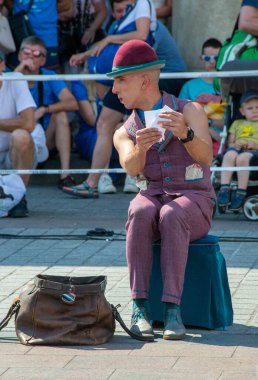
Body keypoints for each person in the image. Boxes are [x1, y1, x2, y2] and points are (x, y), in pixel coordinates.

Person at [111, 40, 215, 340]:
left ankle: (172, 310)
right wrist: (140, 149)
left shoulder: (190, 110)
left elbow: (206, 157)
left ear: (144, 80)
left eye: (121, 80)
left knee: (172, 213)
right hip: (152, 197)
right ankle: (140, 307)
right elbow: (131, 168)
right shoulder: (124, 130)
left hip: (194, 201)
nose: (115, 89)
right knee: (139, 209)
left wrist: (185, 133)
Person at [63, 0, 186, 198]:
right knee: (107, 125)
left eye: (122, 8)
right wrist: (86, 55)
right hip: (133, 79)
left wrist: (109, 38)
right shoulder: (119, 22)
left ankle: (127, 181)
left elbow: (141, 35)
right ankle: (98, 181)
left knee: (123, 125)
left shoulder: (142, 4)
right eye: (116, 9)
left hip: (156, 78)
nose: (119, 12)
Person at [15, 36, 79, 189]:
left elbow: (72, 103)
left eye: (37, 54)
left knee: (61, 114)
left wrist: (45, 109)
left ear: (43, 61)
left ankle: (65, 175)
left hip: (45, 139)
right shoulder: (8, 76)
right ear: (19, 56)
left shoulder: (49, 76)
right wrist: (18, 73)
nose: (30, 57)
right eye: (27, 52)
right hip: (17, 138)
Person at [0, 50, 48, 217]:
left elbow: (28, 123)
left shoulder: (15, 80)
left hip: (13, 154)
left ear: (2, 66)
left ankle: (19, 197)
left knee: (21, 136)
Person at [179, 38, 224, 157]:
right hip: (195, 137)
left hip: (221, 140)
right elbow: (181, 117)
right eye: (208, 58)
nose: (212, 62)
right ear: (201, 60)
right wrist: (209, 128)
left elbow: (230, 120)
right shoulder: (189, 86)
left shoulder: (228, 85)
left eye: (216, 58)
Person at [217, 89, 258, 212]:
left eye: (257, 107)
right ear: (242, 111)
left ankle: (241, 192)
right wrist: (236, 144)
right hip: (237, 148)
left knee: (242, 158)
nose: (255, 111)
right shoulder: (237, 123)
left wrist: (254, 145)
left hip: (254, 153)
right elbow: (230, 142)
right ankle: (224, 189)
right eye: (250, 108)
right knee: (229, 154)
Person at [5, 0, 60, 71]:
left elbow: (67, 6)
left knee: (48, 77)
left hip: (48, 39)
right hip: (19, 37)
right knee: (16, 76)